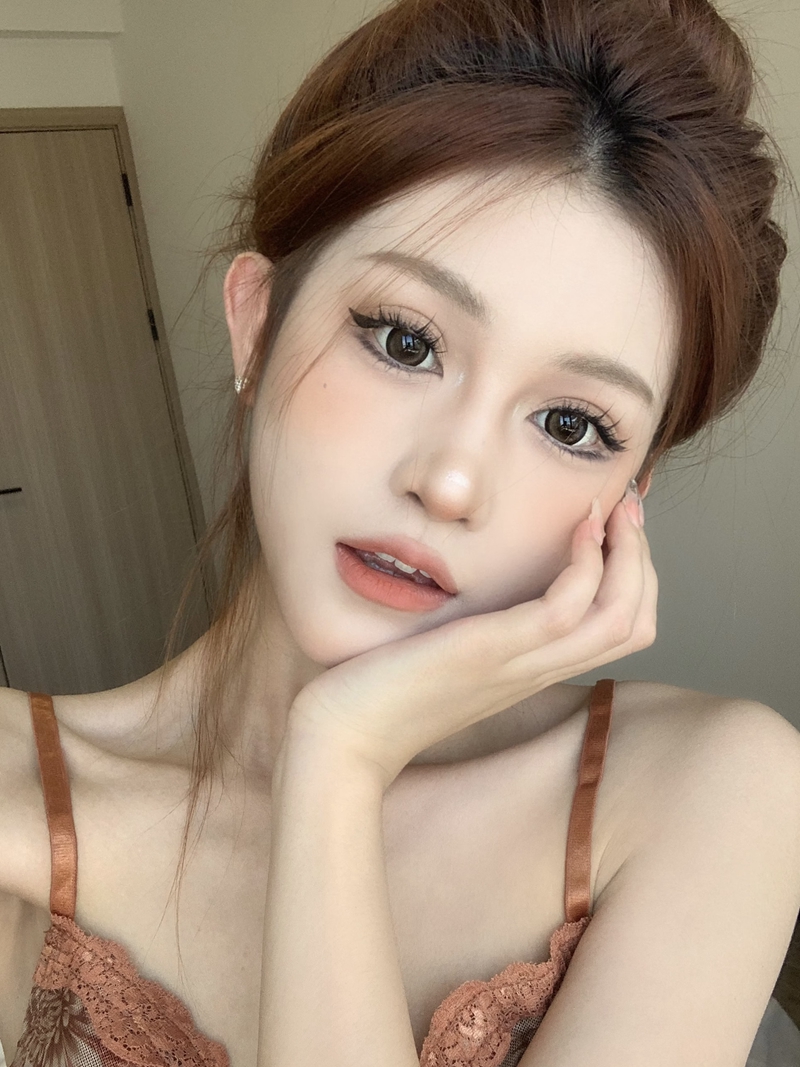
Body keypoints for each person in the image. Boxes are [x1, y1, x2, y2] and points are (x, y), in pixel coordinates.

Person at [2, 0, 800, 1064]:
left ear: (627, 493)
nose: (452, 480)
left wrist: (337, 758)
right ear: (255, 322)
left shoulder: (712, 786)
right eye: (405, 341)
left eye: (572, 424)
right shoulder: (16, 794)